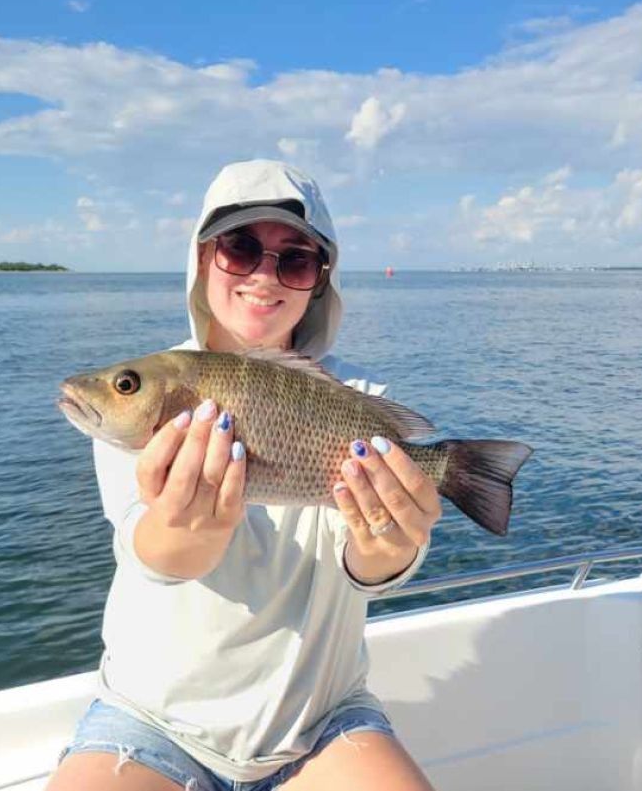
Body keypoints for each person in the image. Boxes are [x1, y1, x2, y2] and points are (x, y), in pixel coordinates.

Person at [46, 159, 441, 791]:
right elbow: (153, 553)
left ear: (320, 281)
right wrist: (186, 526)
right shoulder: (149, 398)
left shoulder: (357, 401)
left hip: (322, 725)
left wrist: (390, 544)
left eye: (296, 259)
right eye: (240, 248)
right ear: (203, 259)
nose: (265, 275)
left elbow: (368, 568)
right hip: (150, 725)